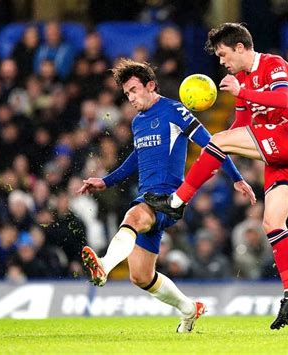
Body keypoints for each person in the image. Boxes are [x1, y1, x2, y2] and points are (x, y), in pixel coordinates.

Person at [144, 23, 288, 330]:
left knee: (220, 140)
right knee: (272, 222)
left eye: (223, 54)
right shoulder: (240, 79)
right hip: (284, 158)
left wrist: (242, 91)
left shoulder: (274, 65)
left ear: (240, 48)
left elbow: (281, 99)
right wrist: (236, 176)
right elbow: (238, 129)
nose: (221, 62)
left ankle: (177, 200)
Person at [78, 58, 255, 333]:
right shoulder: (138, 122)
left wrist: (237, 178)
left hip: (169, 197)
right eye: (127, 94)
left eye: (135, 90)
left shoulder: (175, 111)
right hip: (149, 198)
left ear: (151, 85)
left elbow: (212, 145)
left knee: (132, 216)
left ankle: (104, 265)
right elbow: (136, 158)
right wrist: (106, 180)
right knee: (140, 276)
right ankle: (189, 309)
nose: (131, 98)